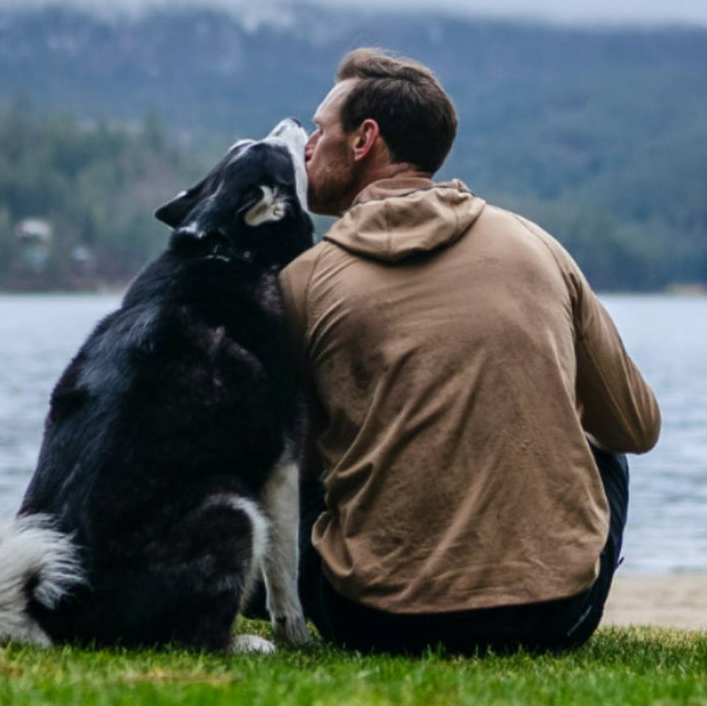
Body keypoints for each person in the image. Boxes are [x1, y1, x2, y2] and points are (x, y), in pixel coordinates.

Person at [278, 47, 661, 653]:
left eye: (319, 130)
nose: (306, 147)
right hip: (557, 615)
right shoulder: (537, 246)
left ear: (363, 141)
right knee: (604, 444)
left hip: (374, 620)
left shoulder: (301, 281)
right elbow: (636, 427)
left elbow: (290, 466)